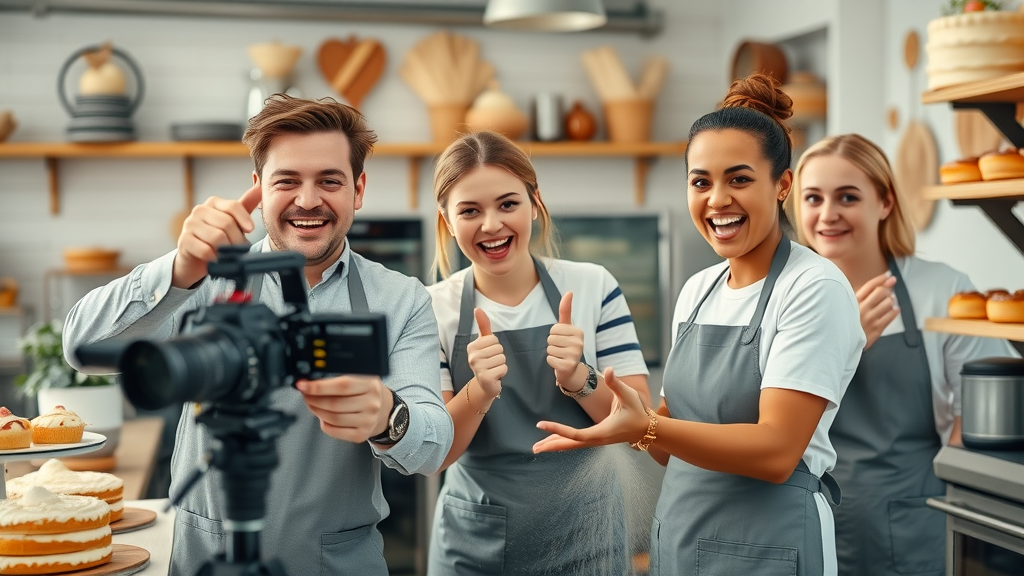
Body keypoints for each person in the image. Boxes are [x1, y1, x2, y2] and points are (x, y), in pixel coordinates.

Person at [63, 95, 454, 576]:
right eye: (286, 181)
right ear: (258, 188)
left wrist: (387, 415)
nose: (308, 200)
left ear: (358, 189)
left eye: (329, 181)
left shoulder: (402, 299)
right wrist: (180, 268)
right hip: (207, 558)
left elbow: (434, 445)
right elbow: (81, 346)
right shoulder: (205, 278)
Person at [533, 73, 866, 576]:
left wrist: (645, 426)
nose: (716, 200)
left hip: (771, 548)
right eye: (700, 181)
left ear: (782, 185)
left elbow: (777, 451)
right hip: (684, 541)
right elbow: (670, 444)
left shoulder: (813, 287)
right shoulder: (698, 290)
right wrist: (583, 382)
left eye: (739, 179)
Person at [785, 133, 1017, 576]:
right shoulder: (787, 296)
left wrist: (949, 493)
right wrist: (847, 343)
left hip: (917, 516)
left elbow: (981, 412)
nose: (828, 214)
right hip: (808, 514)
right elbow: (764, 414)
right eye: (813, 198)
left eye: (847, 197)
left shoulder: (942, 290)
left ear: (885, 202)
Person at [426, 130, 651, 575]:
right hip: (476, 543)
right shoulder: (432, 308)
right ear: (448, 221)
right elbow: (436, 455)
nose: (491, 225)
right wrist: (480, 392)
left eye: (508, 204)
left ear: (534, 203)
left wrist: (580, 380)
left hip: (588, 536)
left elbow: (641, 427)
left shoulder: (594, 286)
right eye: (470, 211)